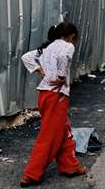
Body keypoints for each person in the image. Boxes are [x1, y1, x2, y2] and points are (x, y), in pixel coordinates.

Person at [20, 22, 86, 187]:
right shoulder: (67, 46)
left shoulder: (47, 48)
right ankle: (31, 174)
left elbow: (26, 57)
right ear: (71, 35)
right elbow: (64, 57)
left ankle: (70, 166)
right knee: (49, 136)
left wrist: (39, 70)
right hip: (57, 95)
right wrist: (62, 77)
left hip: (44, 94)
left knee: (63, 130)